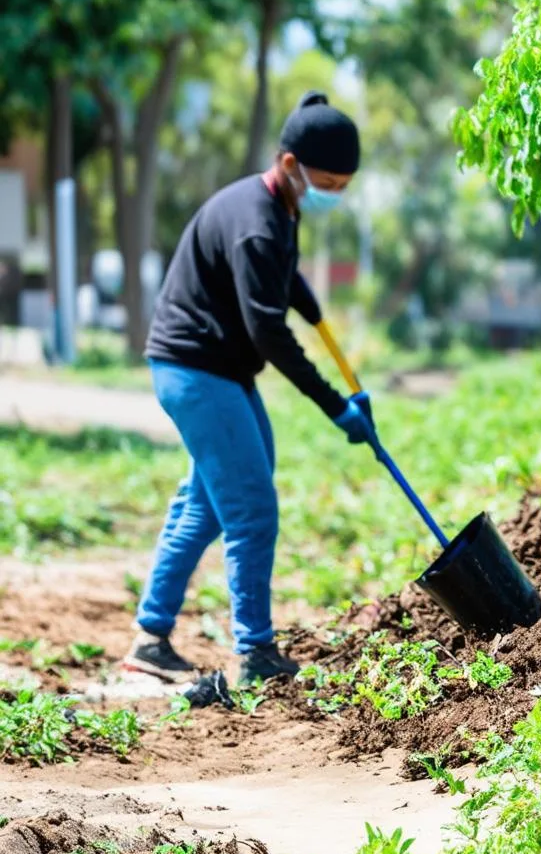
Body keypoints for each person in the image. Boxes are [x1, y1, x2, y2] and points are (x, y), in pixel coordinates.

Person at [122, 92, 375, 684]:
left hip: (215, 371)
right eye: (328, 182)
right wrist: (335, 407)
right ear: (290, 165)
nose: (333, 194)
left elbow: (280, 280)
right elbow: (267, 331)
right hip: (196, 371)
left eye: (343, 185)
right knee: (252, 509)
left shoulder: (279, 208)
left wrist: (310, 307)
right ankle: (255, 652)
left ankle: (151, 635)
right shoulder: (256, 223)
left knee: (208, 504)